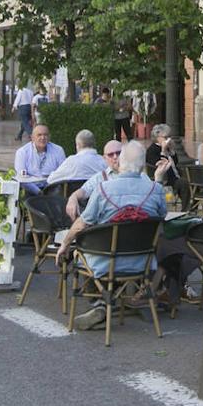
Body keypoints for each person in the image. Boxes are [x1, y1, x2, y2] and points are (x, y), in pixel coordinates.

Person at [55, 140, 167, 331]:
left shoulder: (104, 189)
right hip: (142, 261)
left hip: (106, 261)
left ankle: (100, 304)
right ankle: (113, 300)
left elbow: (82, 224)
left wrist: (65, 244)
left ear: (121, 162)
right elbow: (161, 216)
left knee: (80, 251)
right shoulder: (155, 189)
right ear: (142, 165)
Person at [66, 140, 124, 221]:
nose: (115, 157)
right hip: (108, 223)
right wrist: (73, 197)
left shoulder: (139, 175)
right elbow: (84, 190)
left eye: (119, 153)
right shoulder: (100, 177)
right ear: (105, 158)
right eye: (111, 154)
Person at [13, 124, 66, 195]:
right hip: (31, 185)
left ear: (49, 137)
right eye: (39, 135)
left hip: (51, 184)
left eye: (45, 135)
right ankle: (40, 194)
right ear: (32, 137)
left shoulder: (58, 150)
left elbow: (63, 172)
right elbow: (22, 176)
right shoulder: (22, 152)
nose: (43, 138)